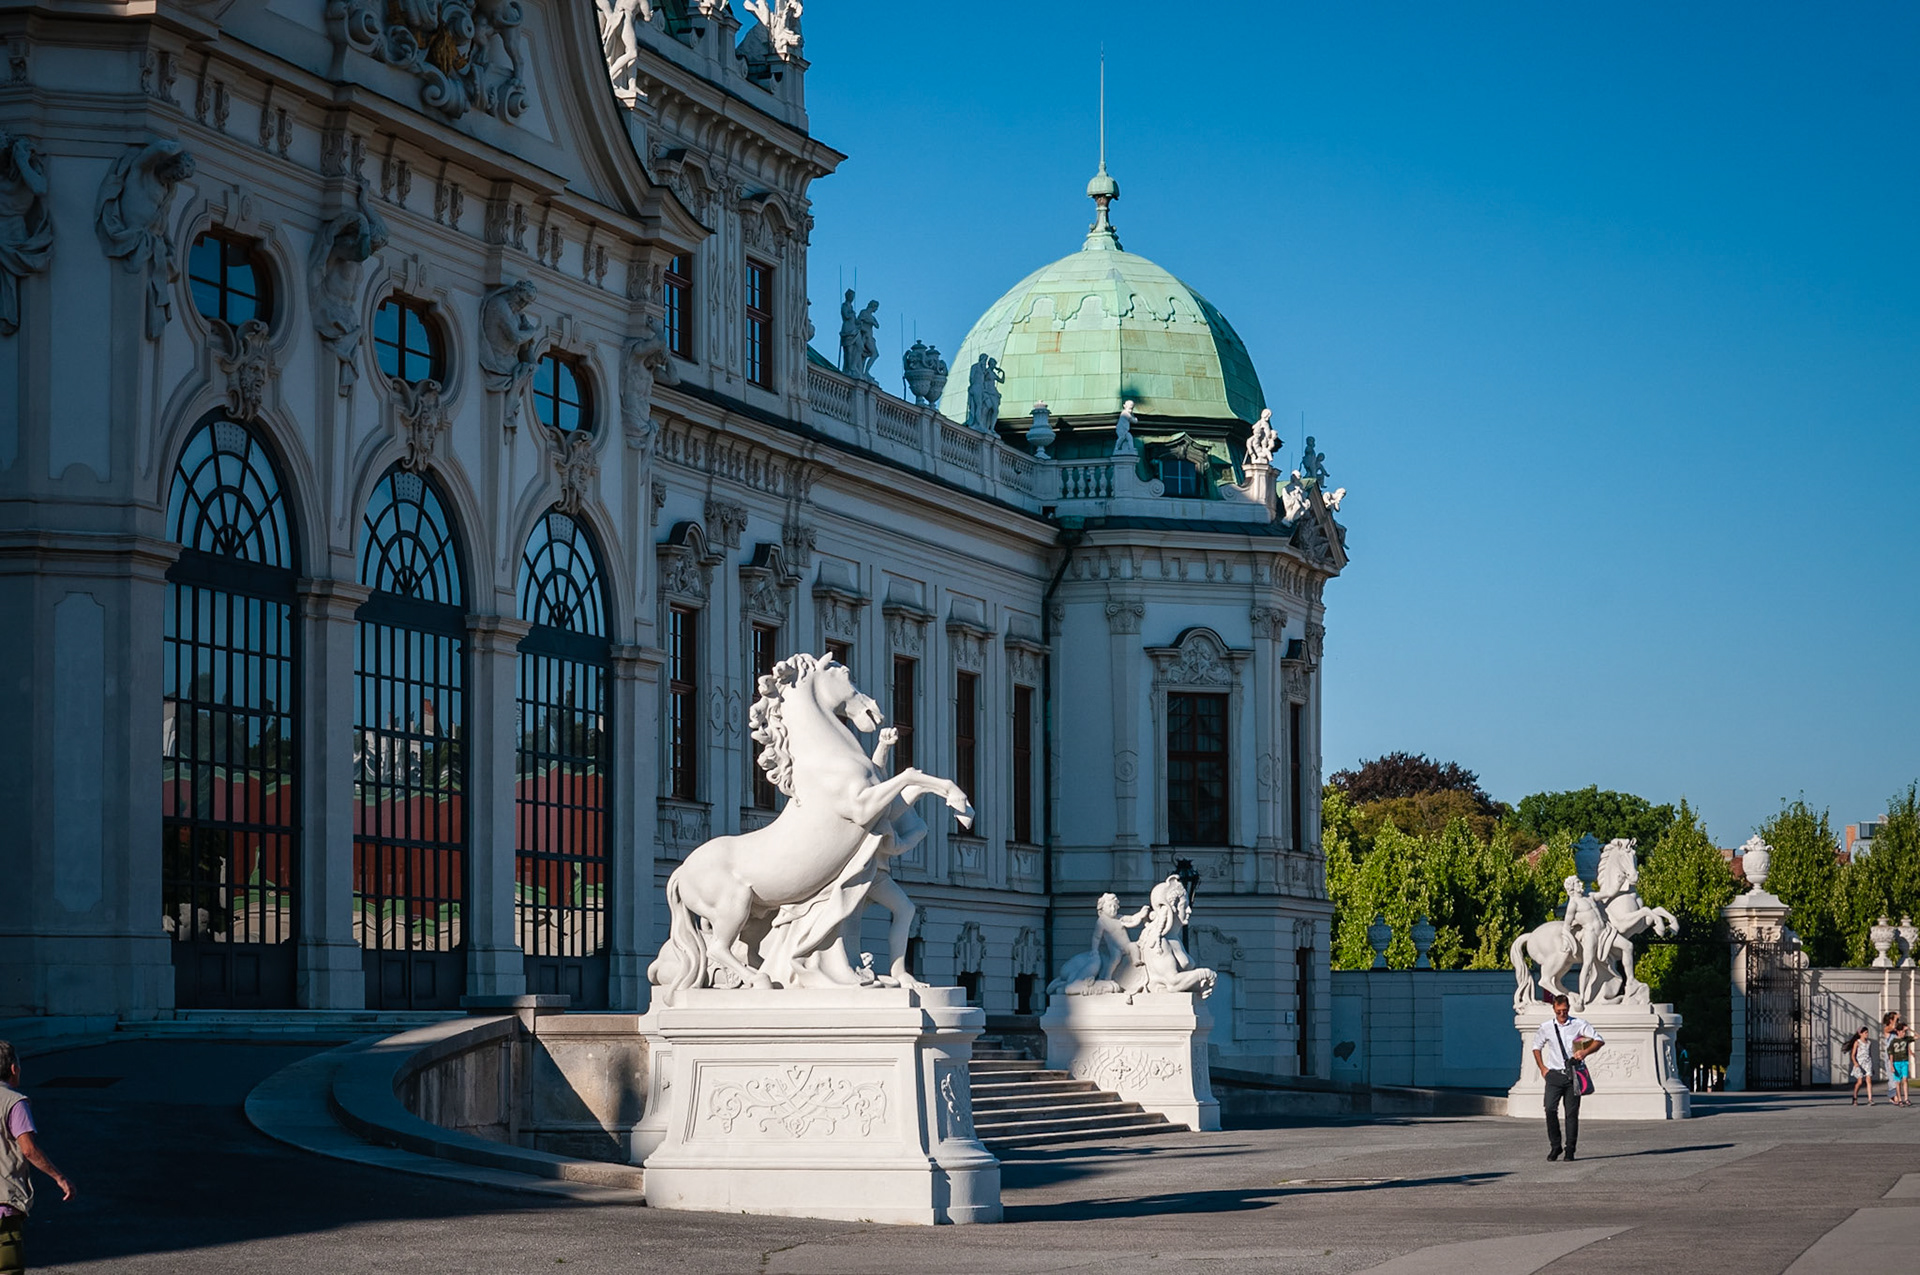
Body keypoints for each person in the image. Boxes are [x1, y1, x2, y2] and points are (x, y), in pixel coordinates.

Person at [0, 1040, 76, 1275]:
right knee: (8, 1269)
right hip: (3, 1203)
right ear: (14, 1068)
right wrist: (60, 1177)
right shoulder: (14, 1102)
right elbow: (29, 1149)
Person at [1531, 992, 1604, 1161]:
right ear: (1554, 1009)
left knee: (1571, 1113)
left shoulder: (1579, 1024)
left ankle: (1570, 1148)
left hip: (1573, 1074)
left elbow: (1598, 1040)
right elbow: (1536, 1047)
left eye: (1564, 1010)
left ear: (1568, 1008)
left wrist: (1585, 1052)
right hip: (1554, 1074)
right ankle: (1555, 1146)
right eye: (1558, 1011)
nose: (1562, 1014)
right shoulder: (1546, 1027)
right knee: (1550, 1109)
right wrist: (1543, 1068)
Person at [1884, 1013, 1912, 1107]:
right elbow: (1891, 1028)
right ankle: (1893, 1096)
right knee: (1892, 1076)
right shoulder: (1887, 1028)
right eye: (1895, 1018)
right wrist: (1895, 1019)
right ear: (1891, 1020)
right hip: (1890, 1056)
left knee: (1900, 1077)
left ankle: (1899, 1096)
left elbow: (1903, 1041)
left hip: (1899, 1056)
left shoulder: (1896, 1030)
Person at [1849, 1025, 1874, 1105]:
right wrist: (1855, 1062)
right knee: (1860, 1082)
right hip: (1859, 1063)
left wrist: (1871, 1065)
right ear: (1861, 1033)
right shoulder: (1857, 1042)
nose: (1867, 1034)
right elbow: (1853, 1054)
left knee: (1869, 1080)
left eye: (1867, 1032)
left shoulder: (1869, 1043)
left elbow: (1869, 1054)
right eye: (1865, 1033)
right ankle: (1855, 1097)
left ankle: (1870, 1099)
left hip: (1867, 1063)